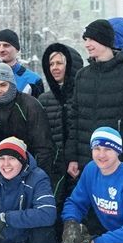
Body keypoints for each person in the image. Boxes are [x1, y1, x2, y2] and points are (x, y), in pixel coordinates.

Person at [67, 19, 123, 178]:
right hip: (87, 162)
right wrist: (72, 157)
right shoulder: (82, 76)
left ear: (105, 40)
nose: (87, 44)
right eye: (85, 40)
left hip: (118, 161)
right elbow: (74, 120)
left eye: (91, 39)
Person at [0, 61, 51, 164]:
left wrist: (35, 174)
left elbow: (43, 147)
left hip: (31, 166)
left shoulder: (30, 105)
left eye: (2, 85)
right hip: (4, 167)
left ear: (12, 83)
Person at [39, 42, 84, 184]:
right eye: (51, 64)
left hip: (80, 167)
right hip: (54, 171)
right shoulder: (44, 99)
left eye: (59, 63)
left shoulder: (83, 96)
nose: (54, 68)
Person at [0, 28, 44, 98]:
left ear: (17, 49)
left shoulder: (33, 80)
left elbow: (38, 107)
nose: (1, 49)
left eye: (6, 45)